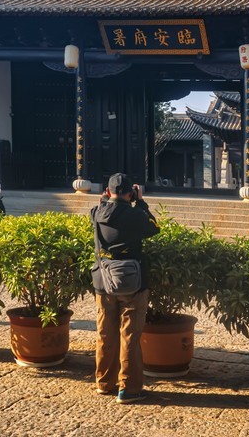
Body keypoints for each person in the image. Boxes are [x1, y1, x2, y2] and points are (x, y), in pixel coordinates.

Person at [90, 173, 159, 404]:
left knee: (105, 332)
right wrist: (140, 202)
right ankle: (128, 389)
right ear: (131, 192)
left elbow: (102, 210)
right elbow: (154, 228)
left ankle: (104, 382)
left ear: (108, 192)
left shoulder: (96, 212)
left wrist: (104, 201)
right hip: (132, 283)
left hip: (103, 281)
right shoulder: (135, 214)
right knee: (129, 335)